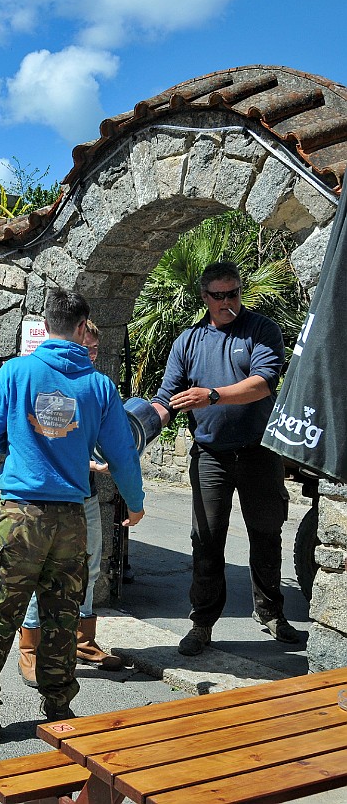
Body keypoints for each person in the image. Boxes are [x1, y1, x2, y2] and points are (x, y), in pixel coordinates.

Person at [0, 289, 145, 739]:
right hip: (70, 518)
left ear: (45, 325)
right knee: (62, 615)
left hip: (20, 515)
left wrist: (27, 448)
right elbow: (123, 454)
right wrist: (136, 502)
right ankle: (59, 706)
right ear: (84, 328)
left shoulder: (15, 371)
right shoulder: (100, 385)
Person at [151, 260, 300, 657]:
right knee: (206, 539)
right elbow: (168, 395)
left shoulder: (261, 330)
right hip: (211, 454)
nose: (226, 302)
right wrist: (143, 426)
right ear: (205, 297)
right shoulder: (190, 339)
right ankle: (201, 623)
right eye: (218, 296)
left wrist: (212, 395)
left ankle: (271, 613)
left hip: (258, 450)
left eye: (232, 293)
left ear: (240, 292)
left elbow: (264, 382)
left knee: (267, 534)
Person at [17, 320, 123, 682]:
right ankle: (31, 647)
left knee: (90, 567)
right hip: (48, 497)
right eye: (85, 347)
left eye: (94, 350)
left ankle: (82, 639)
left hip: (86, 495)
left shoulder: (95, 387)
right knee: (40, 572)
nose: (88, 355)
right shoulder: (47, 380)